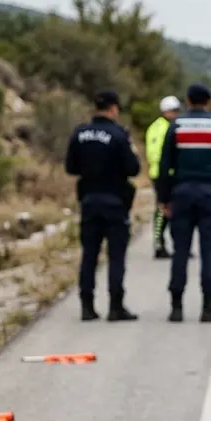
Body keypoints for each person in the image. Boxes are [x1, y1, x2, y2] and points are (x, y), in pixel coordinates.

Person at [155, 83, 211, 323]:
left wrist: (163, 198)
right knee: (209, 252)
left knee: (180, 252)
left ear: (187, 100)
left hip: (181, 194)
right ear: (208, 101)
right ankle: (207, 307)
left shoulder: (176, 125)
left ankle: (176, 307)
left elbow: (165, 166)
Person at [64, 90, 141, 321]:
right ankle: (115, 307)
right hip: (115, 202)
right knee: (116, 256)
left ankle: (86, 306)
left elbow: (70, 167)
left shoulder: (80, 134)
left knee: (89, 255)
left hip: (89, 201)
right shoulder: (118, 135)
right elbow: (133, 169)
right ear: (114, 108)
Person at [146, 95, 181, 259]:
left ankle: (179, 245)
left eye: (176, 111)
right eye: (172, 111)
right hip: (161, 175)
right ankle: (159, 244)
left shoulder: (175, 126)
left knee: (177, 211)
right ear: (164, 111)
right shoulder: (157, 128)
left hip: (176, 175)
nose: (175, 114)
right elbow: (154, 153)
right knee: (162, 209)